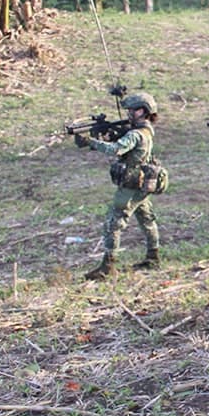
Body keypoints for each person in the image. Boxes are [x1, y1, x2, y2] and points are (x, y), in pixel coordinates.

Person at [75, 92, 162, 280]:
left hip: (132, 184)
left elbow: (115, 149)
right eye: (129, 109)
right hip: (143, 182)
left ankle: (108, 267)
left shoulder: (135, 134)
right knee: (146, 218)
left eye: (134, 109)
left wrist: (90, 141)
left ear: (145, 111)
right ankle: (153, 256)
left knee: (113, 223)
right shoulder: (146, 130)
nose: (130, 113)